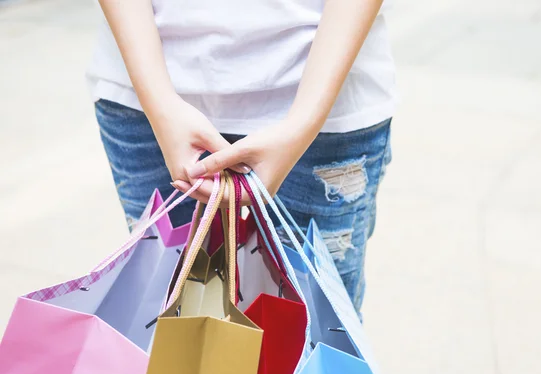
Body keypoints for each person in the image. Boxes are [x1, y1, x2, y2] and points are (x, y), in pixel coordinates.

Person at [89, 0, 395, 313]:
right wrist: (160, 104)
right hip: (146, 94)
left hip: (326, 103)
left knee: (314, 333)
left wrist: (303, 122)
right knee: (166, 328)